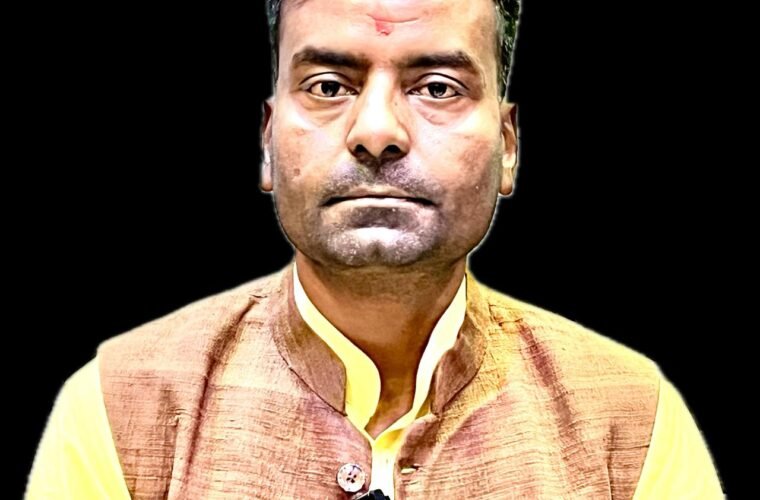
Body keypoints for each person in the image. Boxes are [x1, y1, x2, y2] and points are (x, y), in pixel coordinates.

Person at [26, 0, 724, 498]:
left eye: (437, 87)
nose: (377, 132)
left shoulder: (627, 420)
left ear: (509, 147)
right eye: (329, 86)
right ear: (267, 141)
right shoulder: (125, 407)